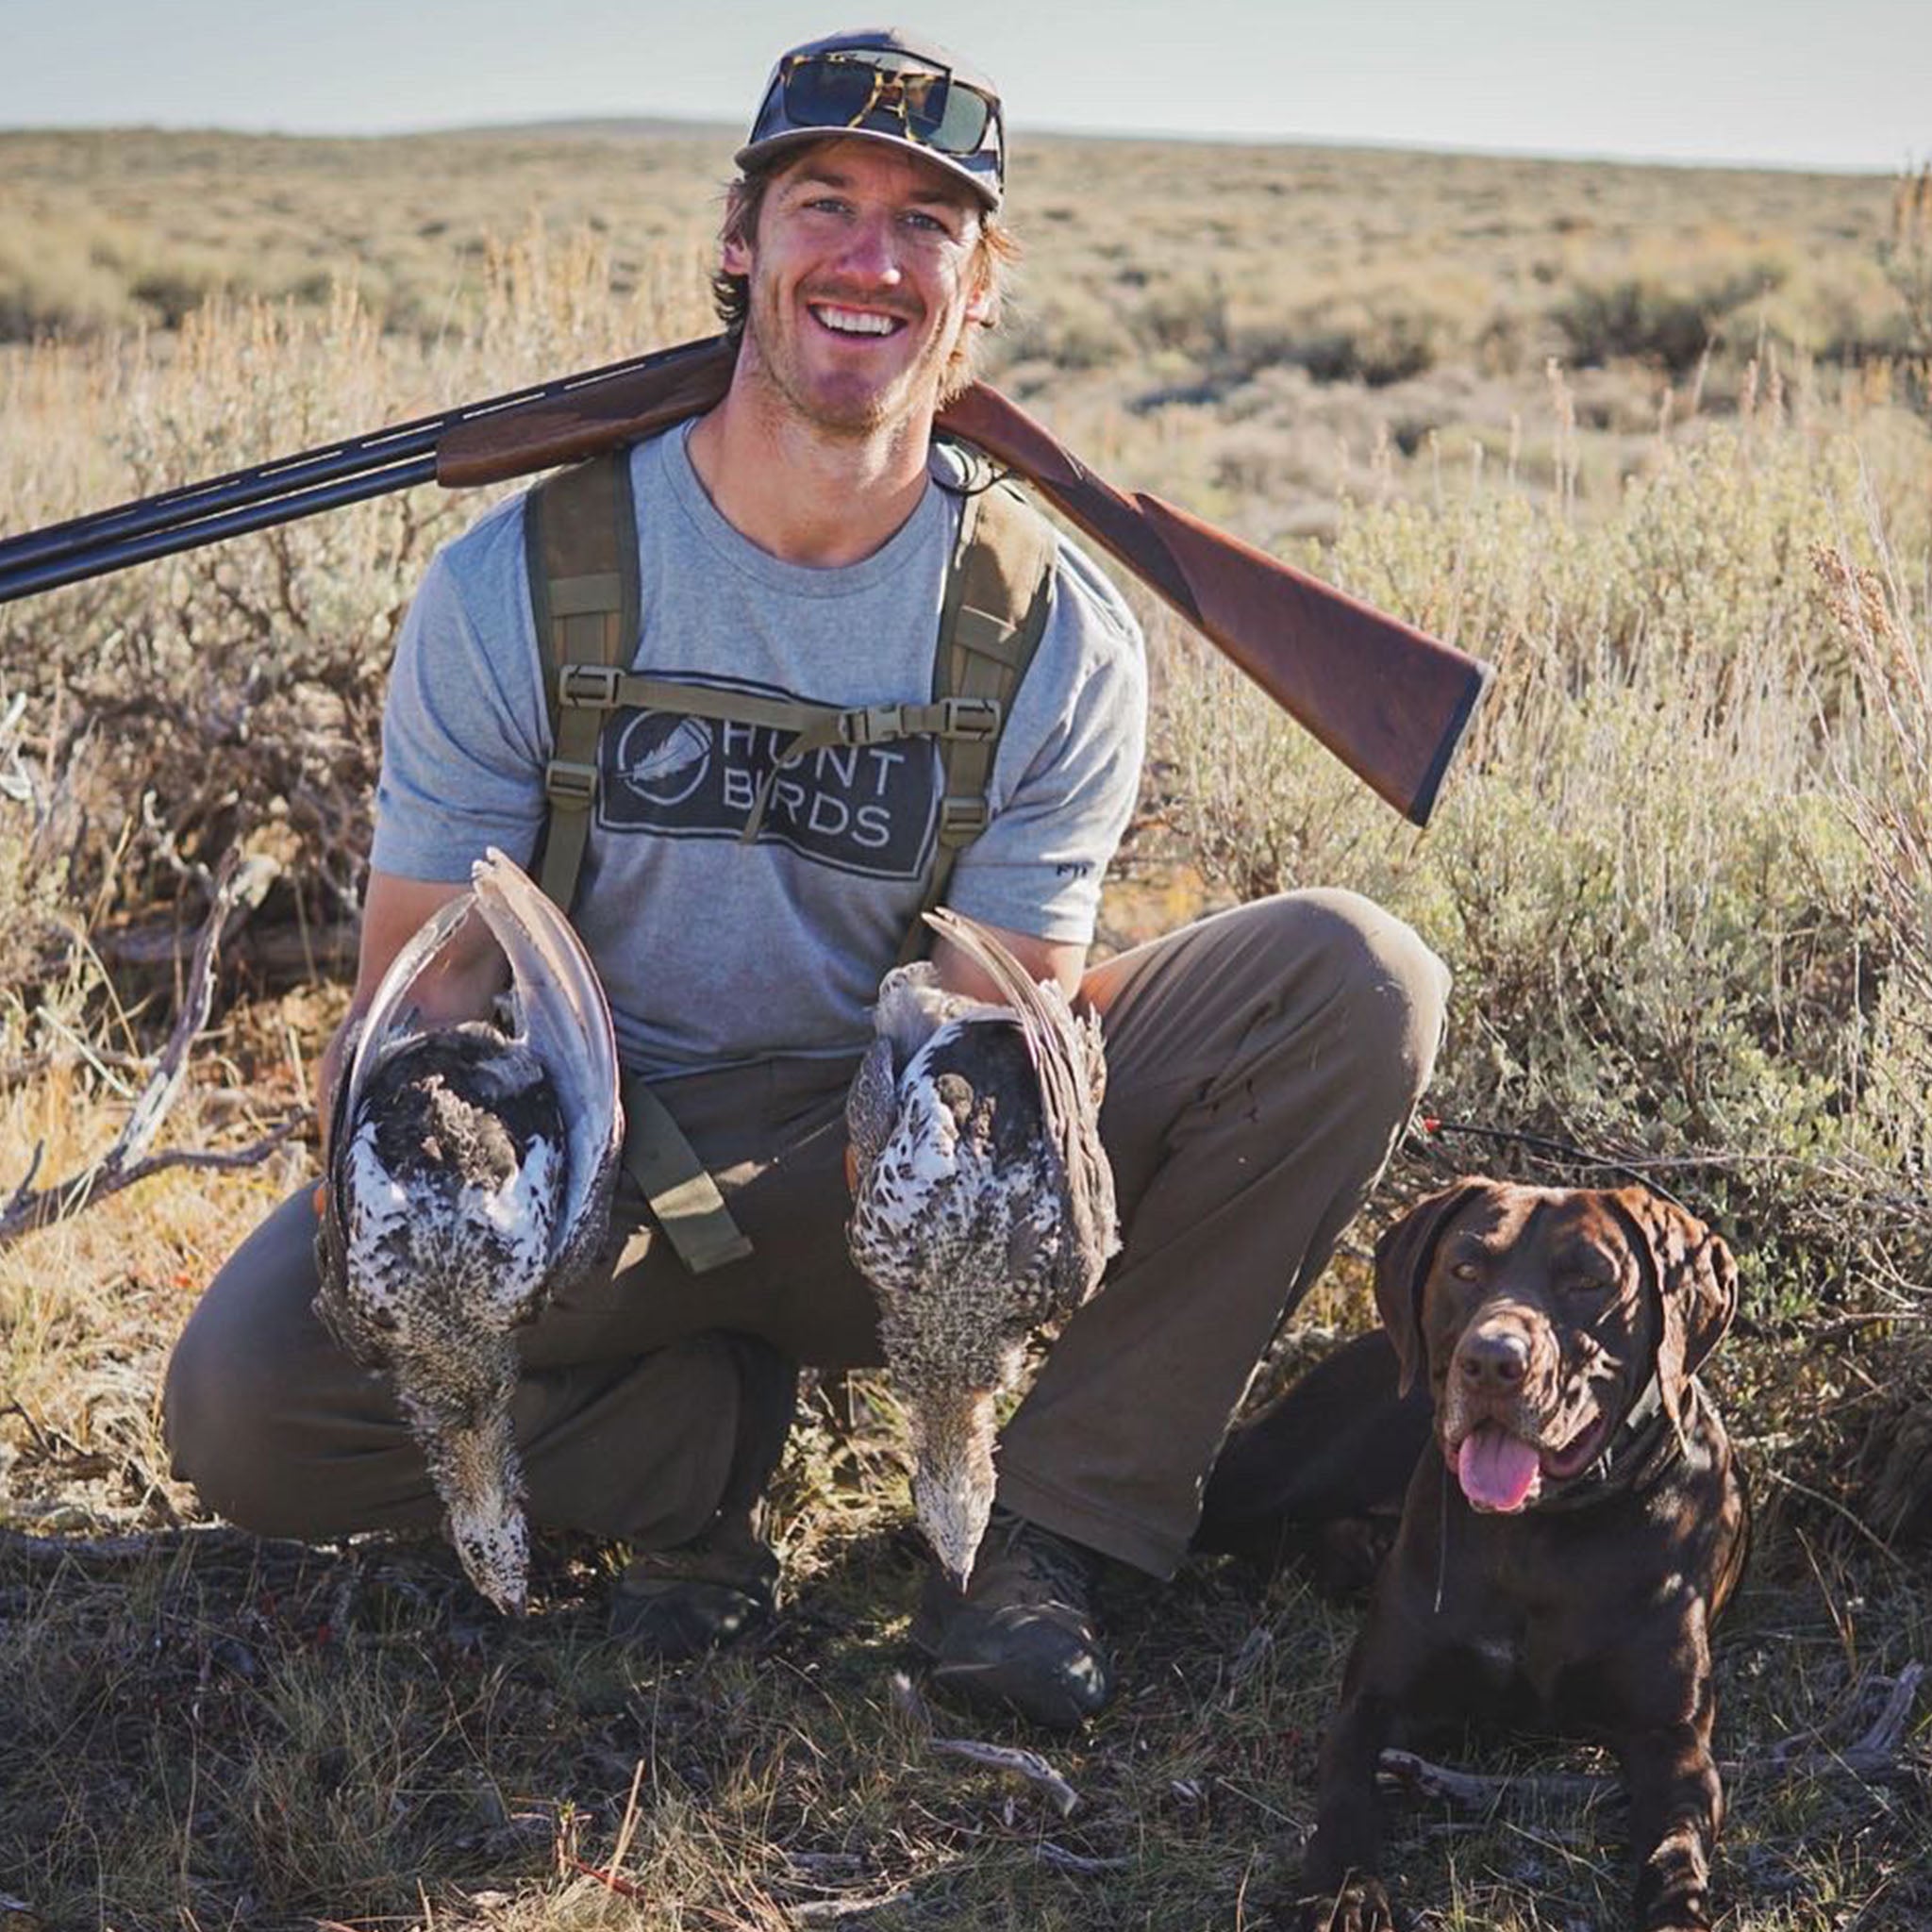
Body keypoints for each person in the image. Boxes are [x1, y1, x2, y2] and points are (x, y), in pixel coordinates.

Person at [164, 28, 1449, 1730]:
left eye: (928, 223)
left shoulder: (1053, 622)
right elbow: (432, 994)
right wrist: (415, 1194)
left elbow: (996, 1018)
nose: (869, 256)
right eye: (824, 204)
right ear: (739, 242)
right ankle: (701, 1451)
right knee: (249, 1404)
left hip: (898, 1161)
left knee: (1356, 980)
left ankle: (1050, 1538)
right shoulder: (517, 583)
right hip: (588, 1181)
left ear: (979, 286)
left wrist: (922, 1243)